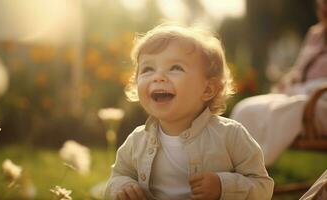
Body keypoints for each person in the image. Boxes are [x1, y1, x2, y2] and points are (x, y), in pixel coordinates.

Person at [104, 23, 274, 200]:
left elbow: (263, 186)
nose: (158, 76)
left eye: (175, 68)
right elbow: (117, 176)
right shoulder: (137, 141)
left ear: (207, 89)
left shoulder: (231, 136)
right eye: (148, 69)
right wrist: (123, 186)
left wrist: (222, 187)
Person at [230, 0, 327, 167]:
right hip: (298, 94)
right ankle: (228, 164)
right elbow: (299, 69)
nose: (323, 8)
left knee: (289, 108)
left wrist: (312, 88)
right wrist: (288, 79)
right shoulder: (315, 34)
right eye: (321, 4)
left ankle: (253, 170)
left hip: (320, 101)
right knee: (246, 108)